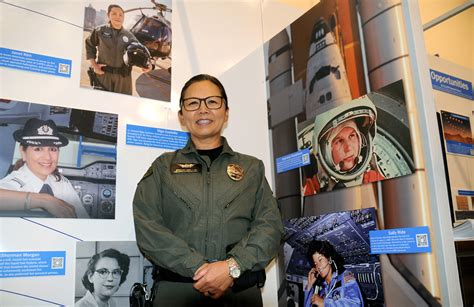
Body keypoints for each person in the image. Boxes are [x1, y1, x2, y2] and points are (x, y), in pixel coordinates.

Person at [133, 74, 284, 306]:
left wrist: (232, 267)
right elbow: (148, 227)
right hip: (177, 291)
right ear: (182, 115)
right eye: (193, 103)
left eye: (212, 101)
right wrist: (200, 268)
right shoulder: (163, 167)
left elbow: (270, 226)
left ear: (226, 111)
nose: (203, 109)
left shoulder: (252, 168)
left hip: (240, 293)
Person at [0, 118, 89, 218]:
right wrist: (44, 200)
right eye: (38, 149)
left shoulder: (62, 184)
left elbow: (83, 220)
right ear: (23, 152)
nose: (47, 157)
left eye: (52, 149)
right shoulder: (13, 184)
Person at [304, 97, 384, 194]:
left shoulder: (375, 179)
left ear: (360, 139)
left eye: (352, 136)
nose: (348, 148)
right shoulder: (309, 191)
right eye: (339, 141)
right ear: (326, 151)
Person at [85, 4, 150, 94]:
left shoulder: (129, 36)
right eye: (114, 14)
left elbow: (140, 52)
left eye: (120, 15)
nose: (117, 17)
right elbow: (89, 45)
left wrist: (148, 65)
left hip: (123, 79)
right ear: (108, 15)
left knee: (122, 105)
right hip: (104, 75)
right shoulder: (100, 31)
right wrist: (94, 65)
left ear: (123, 18)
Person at [304, 240, 364, 307]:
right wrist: (309, 285)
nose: (318, 266)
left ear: (329, 259)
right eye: (315, 263)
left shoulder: (346, 276)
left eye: (320, 260)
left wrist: (325, 303)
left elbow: (355, 303)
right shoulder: (323, 291)